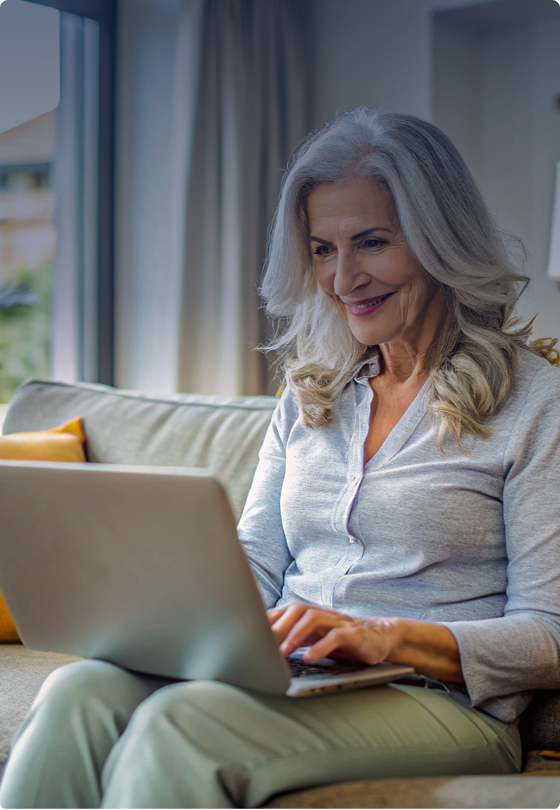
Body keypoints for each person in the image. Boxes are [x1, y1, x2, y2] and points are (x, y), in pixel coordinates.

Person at [2, 108, 560, 810]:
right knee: (77, 691)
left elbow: (549, 633)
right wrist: (158, 603)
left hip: (442, 703)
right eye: (322, 249)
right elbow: (257, 563)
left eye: (372, 243)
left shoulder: (537, 403)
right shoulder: (312, 393)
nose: (343, 277)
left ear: (439, 239)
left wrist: (380, 637)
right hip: (294, 674)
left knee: (183, 727)